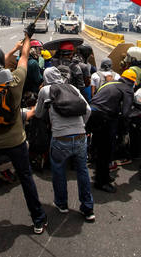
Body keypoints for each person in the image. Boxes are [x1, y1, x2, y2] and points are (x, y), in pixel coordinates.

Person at [0, 25, 48, 235]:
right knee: (26, 179)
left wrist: (10, 51)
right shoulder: (14, 84)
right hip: (16, 141)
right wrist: (26, 38)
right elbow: (23, 58)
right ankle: (38, 220)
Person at [29, 66, 95, 222]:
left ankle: (62, 204)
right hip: (80, 136)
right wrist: (81, 127)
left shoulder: (45, 91)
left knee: (58, 170)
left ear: (45, 78)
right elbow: (88, 110)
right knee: (82, 171)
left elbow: (38, 113)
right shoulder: (72, 87)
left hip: (60, 138)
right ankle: (88, 208)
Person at [87, 69, 135, 193]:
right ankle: (101, 182)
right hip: (104, 118)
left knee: (99, 148)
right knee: (106, 151)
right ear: (132, 82)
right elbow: (125, 114)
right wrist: (124, 131)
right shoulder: (127, 89)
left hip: (92, 114)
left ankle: (103, 176)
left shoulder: (109, 83)